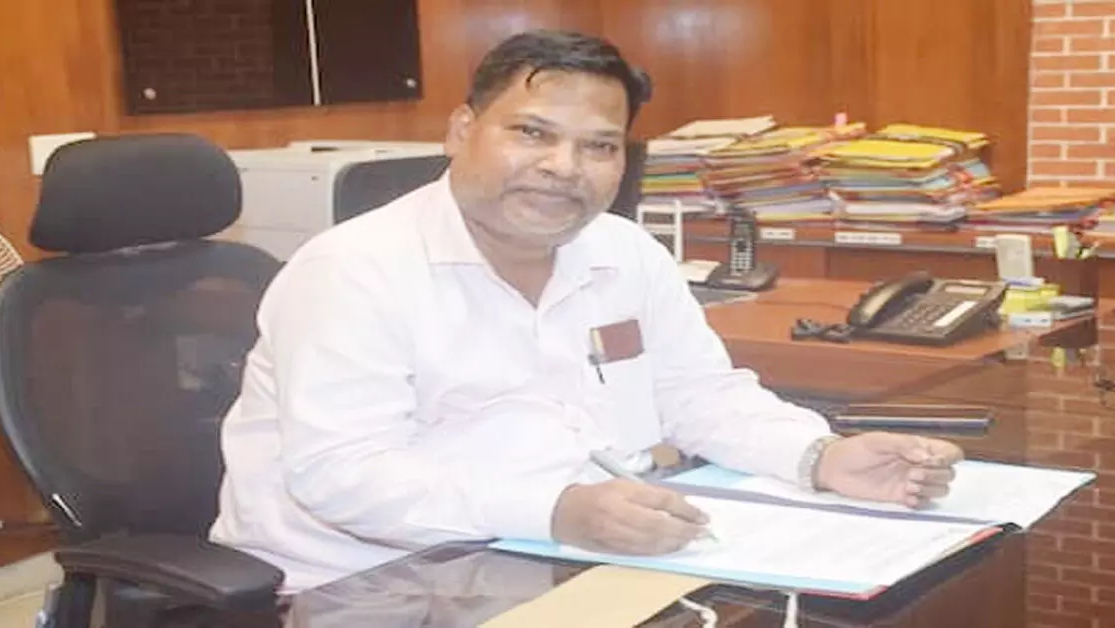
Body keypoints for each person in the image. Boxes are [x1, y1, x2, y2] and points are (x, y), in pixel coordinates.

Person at [209, 29, 964, 593]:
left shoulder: (623, 251)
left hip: (559, 562)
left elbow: (698, 394)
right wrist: (558, 509)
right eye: (531, 133)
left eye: (599, 147)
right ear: (463, 131)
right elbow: (346, 478)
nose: (563, 168)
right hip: (368, 584)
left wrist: (818, 456)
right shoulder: (353, 271)